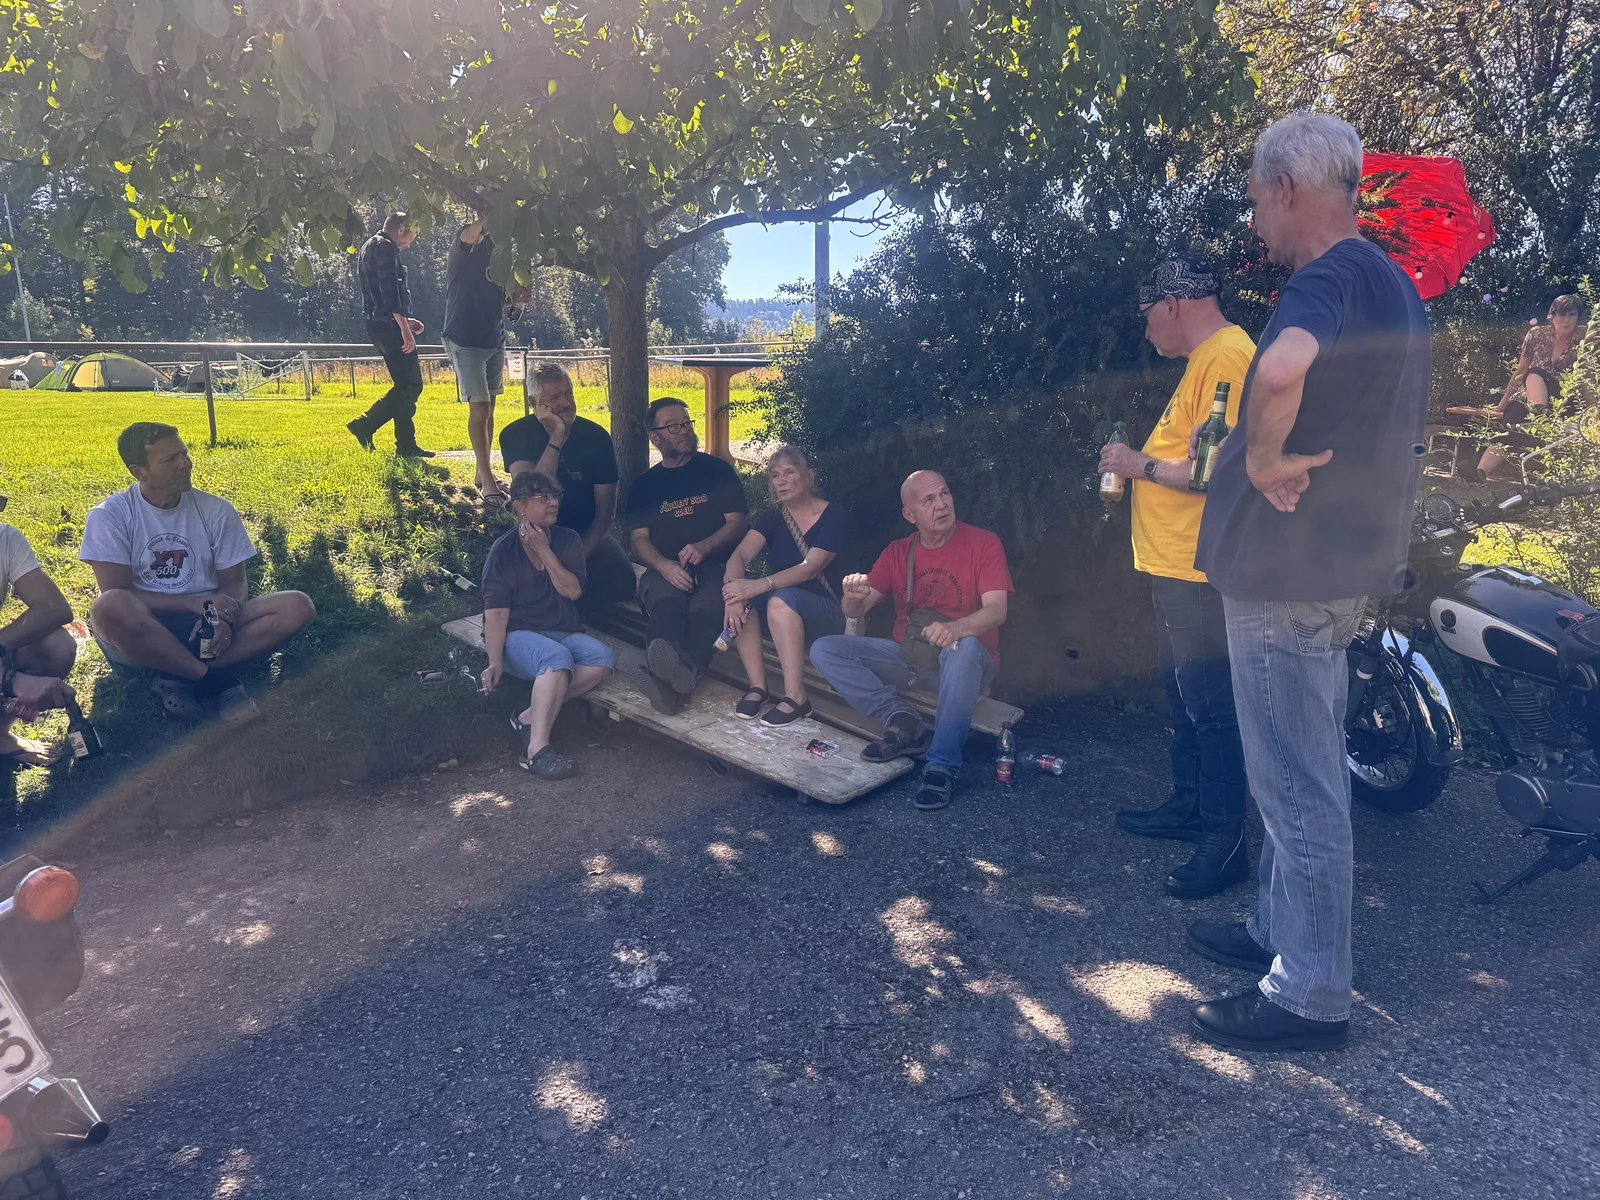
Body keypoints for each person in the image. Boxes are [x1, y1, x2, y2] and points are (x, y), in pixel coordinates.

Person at [1188, 113, 1430, 1053]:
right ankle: (1275, 930)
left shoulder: (1326, 277)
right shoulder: (1390, 284)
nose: (1257, 222)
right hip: (1329, 572)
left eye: (1257, 201)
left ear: (1287, 188)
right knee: (1299, 764)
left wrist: (1260, 459)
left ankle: (1309, 993)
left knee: (1295, 781)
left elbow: (1284, 365)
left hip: (1287, 578)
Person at [1099, 257, 1255, 899]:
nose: (1146, 331)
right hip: (1175, 565)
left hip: (1200, 567)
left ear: (1171, 303)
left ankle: (1226, 844)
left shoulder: (1226, 357)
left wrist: (1132, 463)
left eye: (1147, 317)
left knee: (1212, 705)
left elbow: (1216, 473)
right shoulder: (1206, 359)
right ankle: (1190, 806)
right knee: (1187, 693)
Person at [82, 423, 317, 722]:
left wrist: (219, 618)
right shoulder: (109, 516)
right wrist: (195, 603)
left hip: (204, 623)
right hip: (143, 627)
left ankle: (176, 673)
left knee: (296, 606)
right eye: (170, 459)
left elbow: (234, 580)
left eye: (184, 453)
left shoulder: (216, 509)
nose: (185, 464)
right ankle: (214, 681)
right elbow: (118, 592)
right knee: (108, 606)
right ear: (139, 472)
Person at [810, 471, 1012, 813]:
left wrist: (957, 629)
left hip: (967, 663)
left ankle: (942, 766)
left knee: (962, 648)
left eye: (944, 494)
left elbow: (997, 611)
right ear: (910, 515)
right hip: (909, 658)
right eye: (929, 500)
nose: (941, 504)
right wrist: (852, 598)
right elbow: (856, 609)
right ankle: (902, 719)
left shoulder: (983, 543)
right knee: (825, 649)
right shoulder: (898, 552)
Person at [478, 471, 616, 779]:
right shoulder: (503, 551)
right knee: (556, 658)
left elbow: (573, 591)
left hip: (561, 630)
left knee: (603, 659)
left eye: (555, 496)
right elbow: (496, 613)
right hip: (517, 636)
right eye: (543, 498)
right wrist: (495, 660)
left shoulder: (567, 540)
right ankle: (536, 751)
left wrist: (544, 550)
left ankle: (527, 717)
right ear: (520, 507)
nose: (553, 503)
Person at [624, 398, 748, 714]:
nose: (684, 431)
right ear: (655, 437)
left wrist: (706, 546)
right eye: (673, 426)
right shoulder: (644, 486)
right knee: (667, 607)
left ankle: (665, 684)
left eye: (686, 423)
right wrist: (664, 566)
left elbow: (737, 523)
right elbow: (639, 540)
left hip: (717, 565)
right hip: (664, 570)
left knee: (705, 611)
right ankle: (680, 678)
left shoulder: (717, 470)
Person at [721, 446, 855, 726]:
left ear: (809, 476)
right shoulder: (773, 518)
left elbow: (810, 568)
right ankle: (758, 687)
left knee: (779, 601)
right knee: (749, 603)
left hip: (830, 613)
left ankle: (797, 698)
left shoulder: (835, 515)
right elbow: (740, 555)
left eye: (789, 472)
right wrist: (734, 593)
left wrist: (760, 585)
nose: (780, 481)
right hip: (782, 610)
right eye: (774, 475)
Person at [500, 363, 636, 610]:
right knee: (526, 583)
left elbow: (605, 514)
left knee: (621, 580)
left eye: (568, 393)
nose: (566, 403)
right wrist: (557, 437)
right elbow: (532, 496)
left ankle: (572, 611)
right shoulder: (515, 434)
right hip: (537, 533)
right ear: (534, 403)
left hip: (585, 532)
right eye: (554, 398)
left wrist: (575, 558)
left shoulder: (596, 437)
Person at [442, 218, 533, 504]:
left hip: (494, 338)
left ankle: (482, 474)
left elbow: (496, 298)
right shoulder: (466, 244)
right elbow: (473, 232)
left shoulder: (503, 254)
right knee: (479, 408)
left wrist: (516, 297)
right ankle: (488, 480)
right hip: (464, 339)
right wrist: (499, 212)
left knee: (490, 407)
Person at [347, 212, 434, 458]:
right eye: (411, 236)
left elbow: (377, 294)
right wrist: (404, 329)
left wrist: (405, 320)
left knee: (403, 386)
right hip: (389, 326)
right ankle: (365, 423)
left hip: (377, 323)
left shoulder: (369, 245)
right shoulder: (385, 248)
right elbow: (390, 294)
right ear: (401, 229)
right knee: (412, 385)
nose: (409, 243)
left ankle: (406, 445)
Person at [1476, 294, 1587, 479]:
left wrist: (1591, 408)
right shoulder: (1536, 335)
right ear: (1552, 316)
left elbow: (1590, 375)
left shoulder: (1584, 338)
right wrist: (1502, 404)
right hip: (1530, 395)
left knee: (1535, 373)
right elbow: (1520, 372)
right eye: (1561, 314)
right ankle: (1480, 473)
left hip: (1563, 399)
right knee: (1510, 424)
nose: (1566, 320)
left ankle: (1539, 419)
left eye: (1572, 315)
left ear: (1578, 317)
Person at [0, 502, 78, 765]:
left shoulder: (5, 538)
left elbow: (54, 608)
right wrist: (11, 683)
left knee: (55, 645)